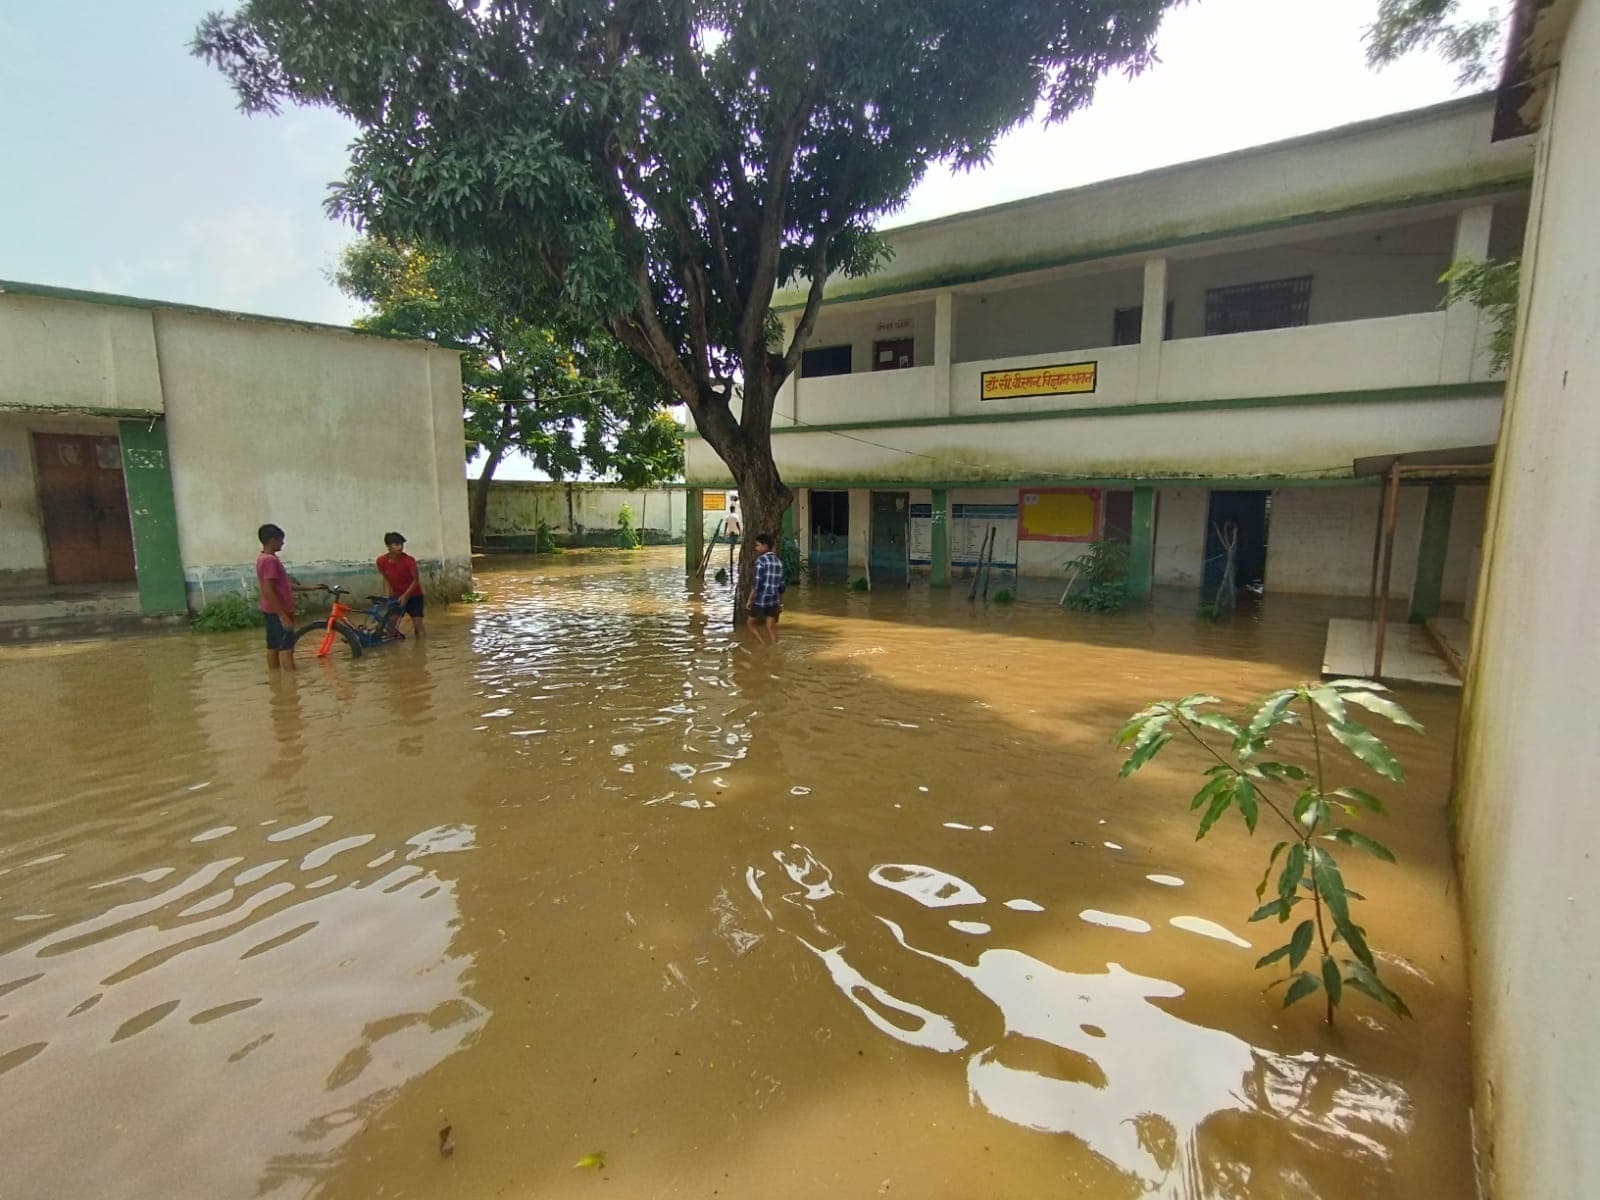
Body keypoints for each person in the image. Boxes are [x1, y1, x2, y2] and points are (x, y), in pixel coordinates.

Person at [256, 523, 325, 671]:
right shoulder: (270, 561)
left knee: (273, 645)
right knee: (286, 648)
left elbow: (284, 585)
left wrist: (311, 587)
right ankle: (290, 685)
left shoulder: (263, 558)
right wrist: (283, 616)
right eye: (281, 540)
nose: (283, 543)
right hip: (279, 610)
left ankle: (275, 679)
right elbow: (268, 590)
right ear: (272, 540)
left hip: (269, 609)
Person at [376, 531, 425, 638]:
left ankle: (421, 648)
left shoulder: (409, 561)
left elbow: (415, 580)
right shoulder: (381, 561)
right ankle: (395, 645)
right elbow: (386, 578)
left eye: (401, 544)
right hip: (397, 596)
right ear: (388, 546)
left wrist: (405, 596)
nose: (400, 547)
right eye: (396, 544)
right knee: (390, 624)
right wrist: (387, 596)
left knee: (418, 626)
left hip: (414, 595)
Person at [745, 532, 785, 644]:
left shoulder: (761, 561)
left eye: (757, 545)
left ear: (765, 546)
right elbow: (781, 586)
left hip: (761, 600)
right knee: (769, 626)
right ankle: (773, 648)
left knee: (750, 623)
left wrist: (749, 600)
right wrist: (780, 603)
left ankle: (762, 644)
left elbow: (757, 584)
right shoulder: (778, 562)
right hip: (774, 601)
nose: (756, 548)